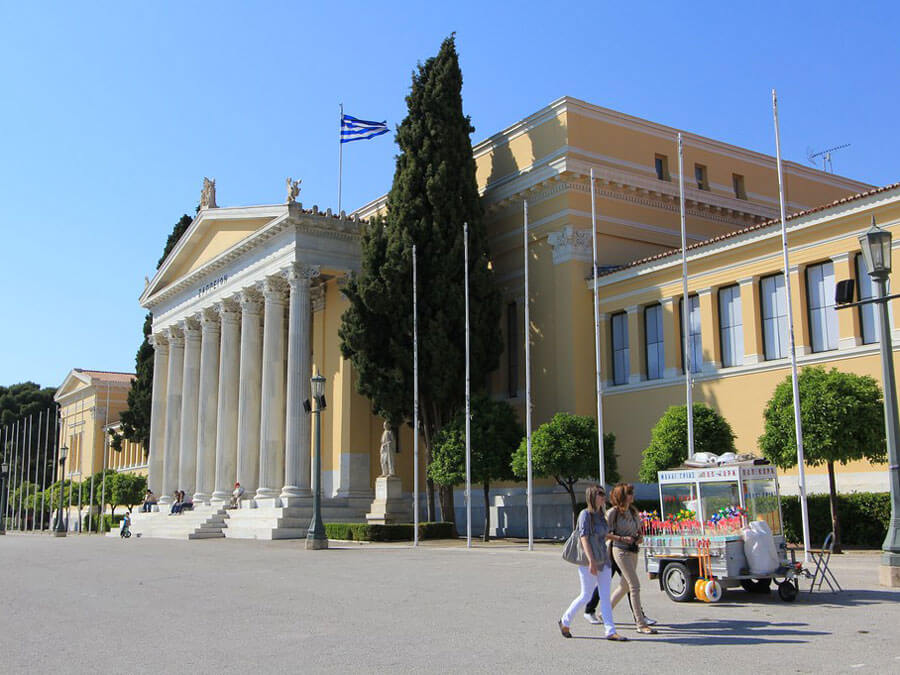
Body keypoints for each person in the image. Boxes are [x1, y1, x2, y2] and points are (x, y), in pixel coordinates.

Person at [558, 485, 628, 641]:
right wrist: (591, 561)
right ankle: (565, 620)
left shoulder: (601, 515)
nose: (603, 497)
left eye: (603, 494)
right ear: (592, 496)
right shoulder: (585, 514)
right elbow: (584, 538)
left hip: (604, 560)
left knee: (605, 596)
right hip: (590, 561)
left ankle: (610, 631)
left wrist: (620, 538)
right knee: (585, 595)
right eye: (600, 494)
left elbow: (603, 536)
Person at [606, 483, 657, 634]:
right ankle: (640, 623)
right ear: (622, 496)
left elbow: (638, 530)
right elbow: (604, 533)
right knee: (634, 585)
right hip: (620, 550)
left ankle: (604, 612)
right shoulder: (612, 513)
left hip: (633, 550)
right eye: (629, 493)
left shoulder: (633, 511)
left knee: (624, 586)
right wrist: (621, 538)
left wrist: (639, 537)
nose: (632, 495)